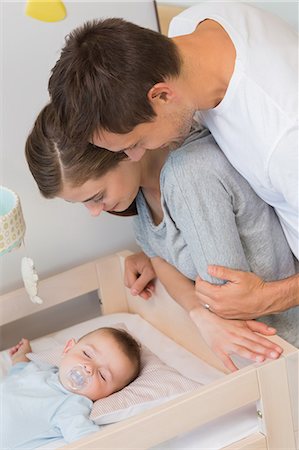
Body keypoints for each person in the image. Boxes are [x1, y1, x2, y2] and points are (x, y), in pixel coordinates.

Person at [47, 3, 298, 320]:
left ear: (162, 96)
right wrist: (161, 254)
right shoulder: (190, 28)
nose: (137, 156)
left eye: (136, 143)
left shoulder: (285, 137)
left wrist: (267, 298)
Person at [25, 104, 298, 372]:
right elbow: (160, 261)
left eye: (96, 197)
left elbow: (223, 298)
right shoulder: (142, 198)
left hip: (282, 347)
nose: (95, 212)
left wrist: (204, 313)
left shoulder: (188, 176)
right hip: (262, 353)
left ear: (119, 151)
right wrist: (197, 312)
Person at [1, 327, 141, 449]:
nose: (89, 368)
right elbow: (18, 377)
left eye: (103, 375)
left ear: (108, 395)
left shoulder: (72, 405)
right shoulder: (44, 370)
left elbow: (88, 440)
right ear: (68, 348)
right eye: (87, 354)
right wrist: (21, 358)